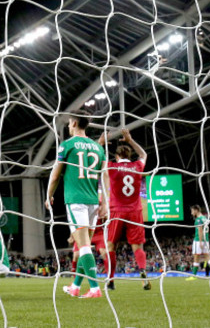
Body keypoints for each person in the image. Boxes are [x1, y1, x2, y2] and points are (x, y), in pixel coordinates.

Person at [45, 110, 106, 299]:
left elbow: (55, 175)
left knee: (84, 246)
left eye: (69, 122)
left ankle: (95, 288)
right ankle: (75, 287)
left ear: (73, 123)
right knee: (82, 245)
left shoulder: (67, 145)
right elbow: (104, 176)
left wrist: (49, 195)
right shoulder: (98, 148)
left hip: (75, 201)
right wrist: (106, 201)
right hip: (93, 202)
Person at [99, 128, 150, 290]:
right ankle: (143, 272)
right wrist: (130, 140)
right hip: (135, 210)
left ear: (117, 156)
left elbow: (97, 159)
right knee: (137, 247)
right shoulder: (137, 166)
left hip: (116, 211)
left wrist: (100, 144)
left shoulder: (111, 167)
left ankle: (111, 280)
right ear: (129, 156)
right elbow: (143, 155)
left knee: (111, 246)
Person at [187, 205, 210, 280]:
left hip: (198, 240)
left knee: (196, 257)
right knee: (208, 258)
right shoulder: (204, 218)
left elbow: (200, 230)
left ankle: (194, 276)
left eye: (192, 211)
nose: (192, 213)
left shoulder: (198, 219)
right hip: (206, 240)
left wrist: (200, 241)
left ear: (196, 210)